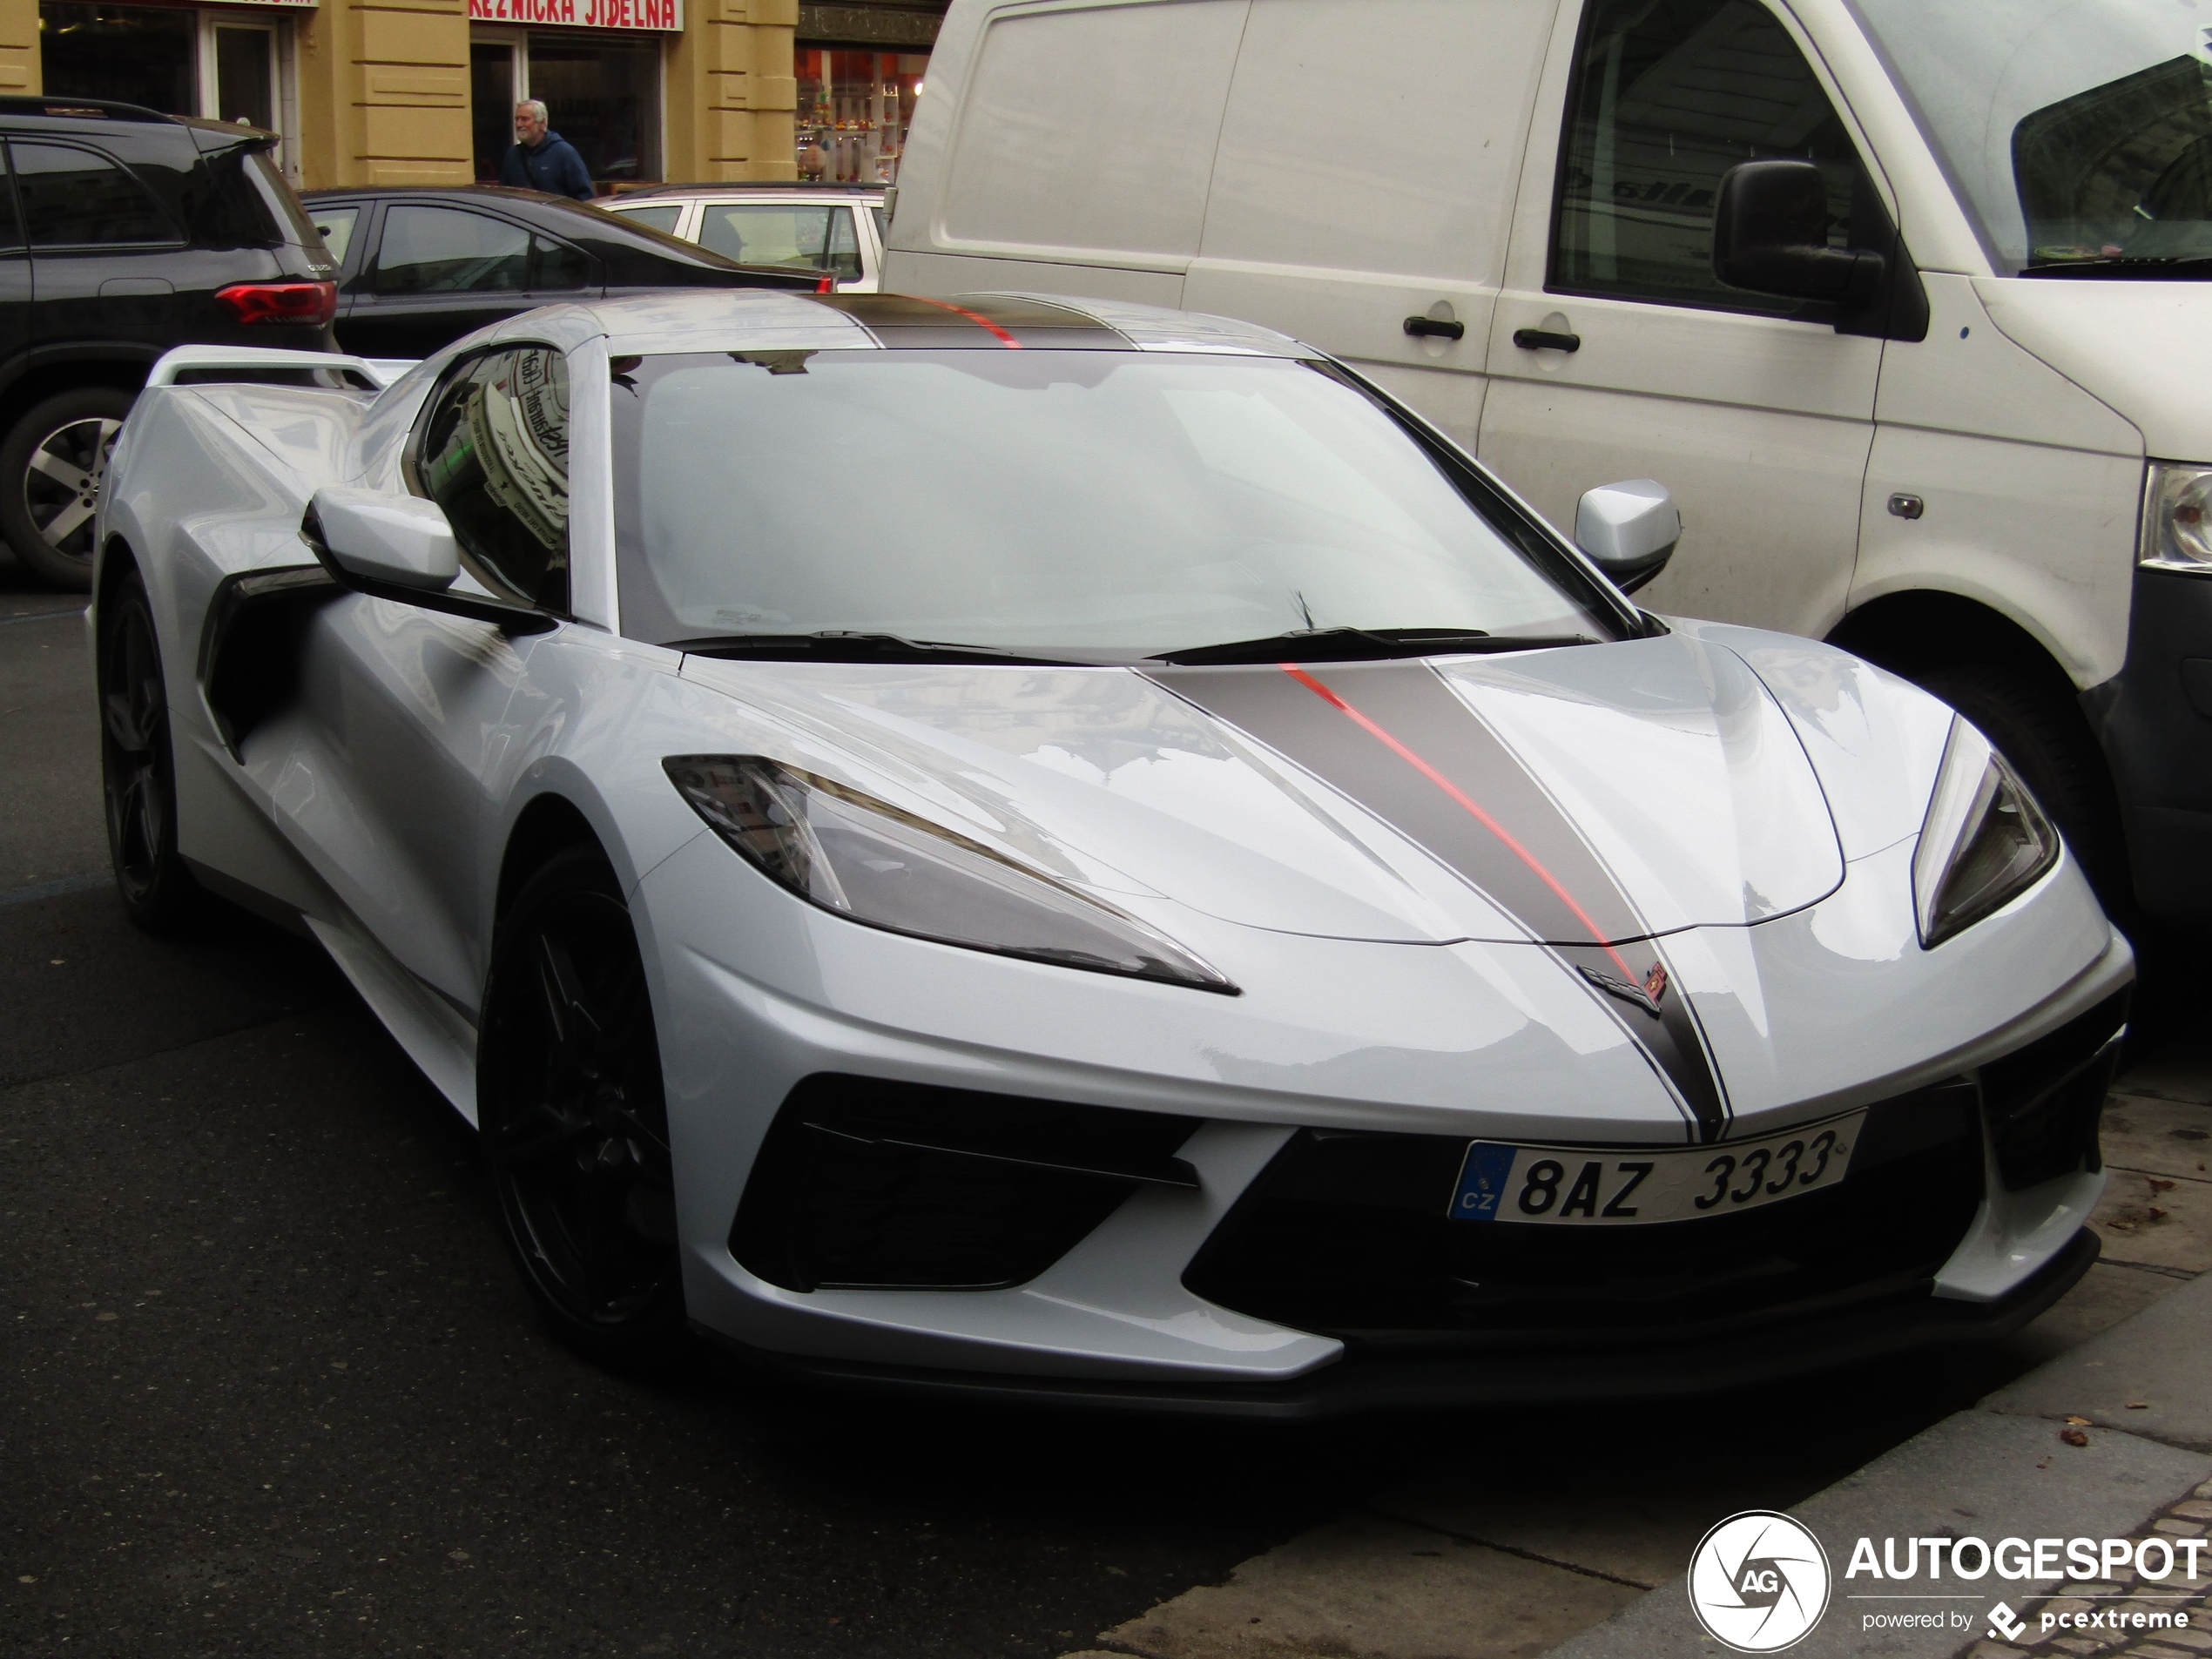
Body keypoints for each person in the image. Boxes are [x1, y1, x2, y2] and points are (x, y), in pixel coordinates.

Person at [498, 100, 592, 200]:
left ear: (542, 123)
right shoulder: (513, 155)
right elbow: (504, 195)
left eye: (525, 119)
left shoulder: (564, 153)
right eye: (517, 119)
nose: (519, 124)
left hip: (555, 215)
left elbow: (585, 195)